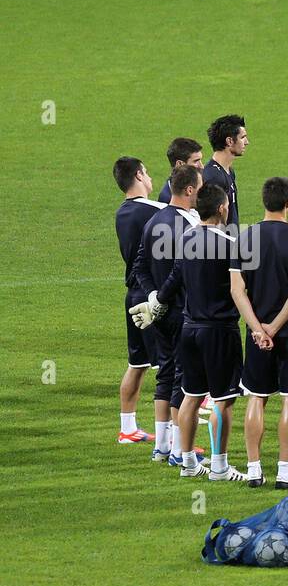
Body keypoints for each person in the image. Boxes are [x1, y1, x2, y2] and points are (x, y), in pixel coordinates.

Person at [147, 184, 250, 481]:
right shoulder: (232, 244)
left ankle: (188, 462)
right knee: (223, 400)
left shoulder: (186, 239)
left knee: (190, 396)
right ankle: (219, 466)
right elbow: (242, 290)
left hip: (189, 330)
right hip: (219, 331)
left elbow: (173, 281)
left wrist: (156, 303)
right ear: (221, 208)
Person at [232, 177, 288, 488]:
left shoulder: (245, 237)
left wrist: (258, 329)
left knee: (256, 396)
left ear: (264, 201)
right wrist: (274, 328)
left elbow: (237, 289)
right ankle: (284, 473)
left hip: (256, 334)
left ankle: (254, 471)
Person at [128, 164, 203, 466]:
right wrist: (161, 298)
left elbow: (139, 267)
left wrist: (151, 298)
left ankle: (161, 446)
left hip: (158, 312)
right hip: (180, 310)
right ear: (188, 190)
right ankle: (176, 451)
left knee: (166, 373)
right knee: (182, 379)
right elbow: (181, 271)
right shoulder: (187, 226)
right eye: (199, 188)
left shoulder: (154, 220)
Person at [113, 157, 165, 446]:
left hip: (132, 295)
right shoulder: (154, 210)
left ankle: (128, 428)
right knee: (168, 369)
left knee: (138, 362)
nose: (150, 177)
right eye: (146, 171)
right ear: (138, 175)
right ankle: (171, 439)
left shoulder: (122, 212)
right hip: (151, 297)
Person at [203, 114, 247, 227]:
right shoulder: (214, 177)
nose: (246, 142)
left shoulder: (229, 171)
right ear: (230, 141)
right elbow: (212, 222)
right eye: (242, 137)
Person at [156, 137, 204, 202]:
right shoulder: (168, 199)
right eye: (196, 161)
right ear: (180, 164)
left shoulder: (200, 181)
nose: (201, 166)